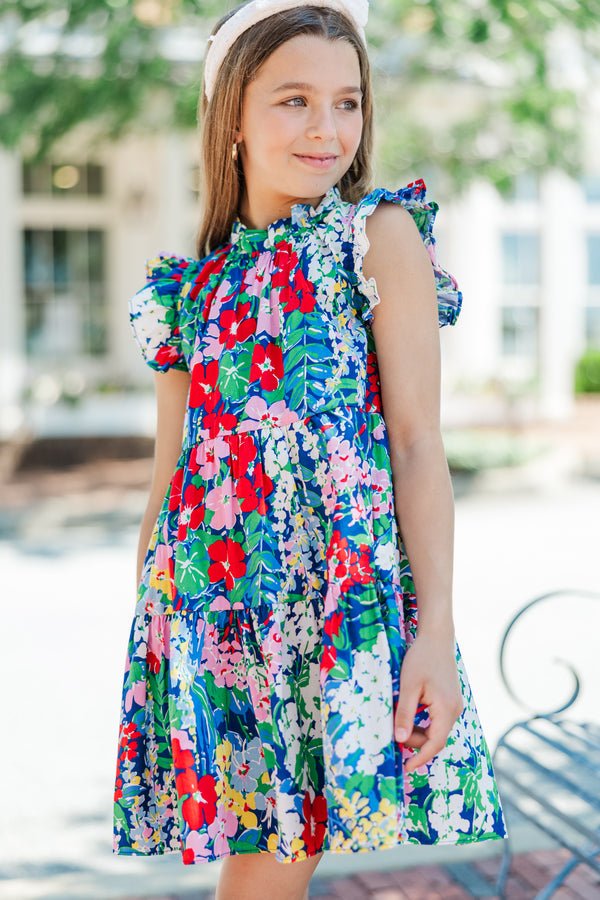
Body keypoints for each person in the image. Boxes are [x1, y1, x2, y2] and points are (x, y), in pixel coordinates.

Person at [112, 1, 508, 897]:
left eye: (348, 101)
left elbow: (416, 443)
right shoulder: (189, 287)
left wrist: (433, 632)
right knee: (256, 871)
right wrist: (151, 640)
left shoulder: (376, 239)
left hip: (331, 612)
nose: (328, 128)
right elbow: (171, 473)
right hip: (211, 615)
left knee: (273, 868)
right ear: (234, 122)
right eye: (293, 100)